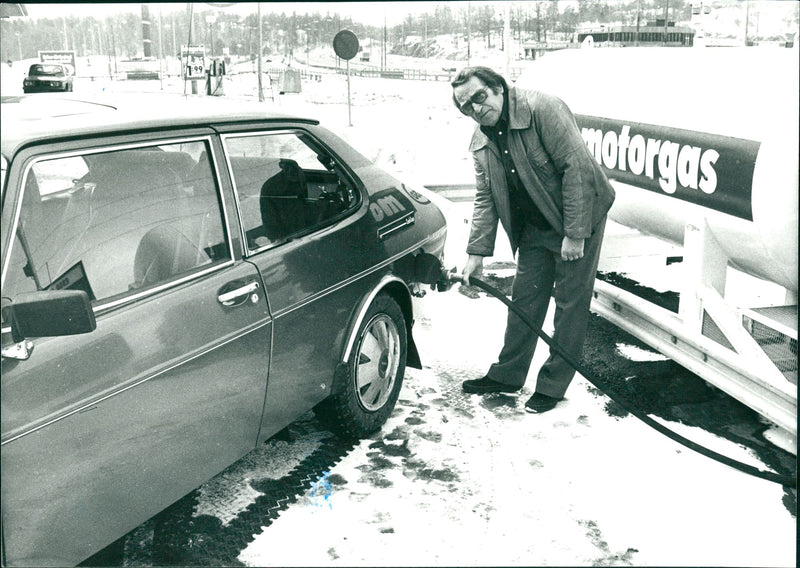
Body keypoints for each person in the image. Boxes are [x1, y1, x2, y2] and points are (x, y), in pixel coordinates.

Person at [451, 66, 615, 414]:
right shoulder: (481, 141)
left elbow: (577, 169)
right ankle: (508, 375)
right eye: (466, 106)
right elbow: (486, 197)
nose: (476, 109)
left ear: (498, 88)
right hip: (534, 226)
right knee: (524, 300)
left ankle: (553, 386)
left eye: (479, 97)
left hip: (578, 215)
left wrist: (575, 234)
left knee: (570, 305)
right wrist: (476, 254)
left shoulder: (544, 109)